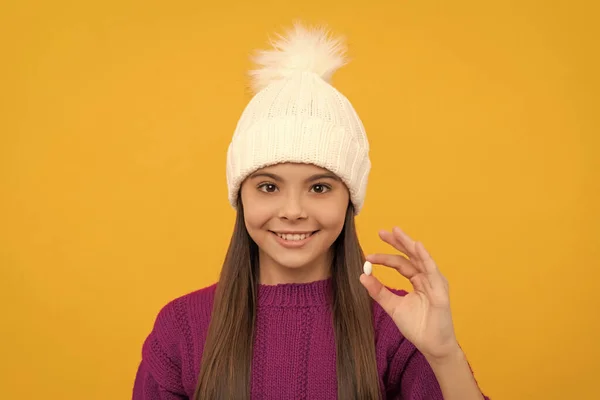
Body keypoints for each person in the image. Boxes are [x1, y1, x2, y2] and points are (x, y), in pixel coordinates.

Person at [132, 21, 490, 400]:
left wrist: (444, 354)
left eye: (319, 188)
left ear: (349, 199)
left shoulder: (400, 326)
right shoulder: (181, 329)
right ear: (241, 196)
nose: (293, 210)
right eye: (268, 187)